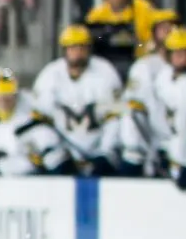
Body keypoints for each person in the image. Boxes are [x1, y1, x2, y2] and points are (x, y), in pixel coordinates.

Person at [125, 30, 186, 188]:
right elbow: (157, 119)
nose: (183, 58)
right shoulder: (163, 78)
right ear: (169, 54)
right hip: (170, 160)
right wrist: (160, 149)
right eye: (178, 53)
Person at [31, 24, 122, 174]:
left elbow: (115, 118)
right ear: (64, 50)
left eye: (82, 48)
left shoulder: (105, 72)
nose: (78, 53)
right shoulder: (50, 75)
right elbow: (40, 119)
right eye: (73, 48)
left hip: (98, 147)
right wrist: (56, 150)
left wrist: (106, 150)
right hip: (63, 150)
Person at [0, 65, 65, 179]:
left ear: (15, 94)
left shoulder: (32, 115)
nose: (2, 100)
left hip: (33, 180)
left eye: (6, 95)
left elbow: (53, 158)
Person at [85, 0, 155, 79]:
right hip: (105, 68)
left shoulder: (144, 8)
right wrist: (106, 38)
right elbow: (93, 42)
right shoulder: (96, 15)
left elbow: (149, 43)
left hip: (138, 64)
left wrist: (137, 44)